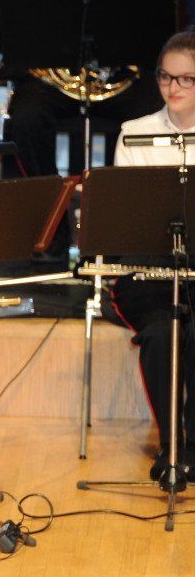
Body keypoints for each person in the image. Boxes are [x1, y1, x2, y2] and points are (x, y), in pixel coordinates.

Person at [2, 0, 169, 178]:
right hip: (55, 74)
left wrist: (116, 4)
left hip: (120, 75)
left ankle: (123, 200)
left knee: (152, 112)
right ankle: (53, 205)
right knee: (26, 117)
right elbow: (15, 2)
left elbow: (154, 16)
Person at [110, 30, 195, 480]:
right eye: (165, 77)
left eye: (186, 79)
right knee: (164, 334)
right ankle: (172, 444)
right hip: (148, 275)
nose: (173, 87)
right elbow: (126, 219)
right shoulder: (134, 133)